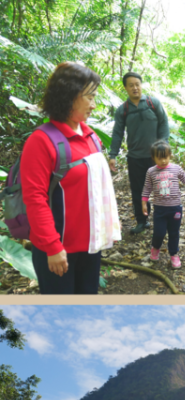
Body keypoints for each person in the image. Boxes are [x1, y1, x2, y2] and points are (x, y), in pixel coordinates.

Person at [20, 62, 121, 294]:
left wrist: (108, 224)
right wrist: (52, 247)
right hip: (58, 250)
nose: (94, 105)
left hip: (91, 246)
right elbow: (35, 198)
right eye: (90, 97)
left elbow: (98, 187)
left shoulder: (90, 135)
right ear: (70, 96)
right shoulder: (41, 141)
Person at [108, 72, 170, 235]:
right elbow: (117, 133)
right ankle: (142, 221)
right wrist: (112, 155)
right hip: (135, 158)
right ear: (126, 88)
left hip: (156, 158)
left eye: (137, 84)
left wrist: (163, 145)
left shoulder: (152, 103)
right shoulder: (123, 110)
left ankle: (162, 219)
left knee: (161, 189)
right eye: (131, 85)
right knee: (138, 191)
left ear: (141, 85)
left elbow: (164, 123)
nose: (135, 88)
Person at [141, 141, 185, 268]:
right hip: (159, 209)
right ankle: (155, 248)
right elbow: (147, 188)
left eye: (166, 157)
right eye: (160, 158)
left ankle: (174, 254)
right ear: (153, 158)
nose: (163, 160)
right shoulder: (151, 171)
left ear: (170, 155)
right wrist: (143, 203)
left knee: (174, 233)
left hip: (175, 208)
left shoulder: (176, 168)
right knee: (159, 232)